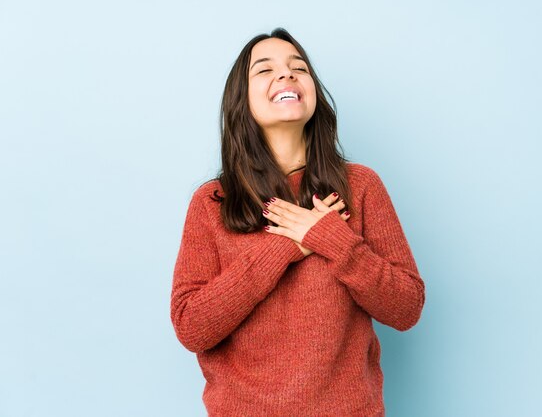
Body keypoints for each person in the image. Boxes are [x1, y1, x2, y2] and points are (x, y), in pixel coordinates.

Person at [170, 27, 426, 416]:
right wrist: (286, 246)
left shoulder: (361, 186)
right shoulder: (211, 202)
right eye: (264, 69)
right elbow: (192, 326)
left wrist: (332, 240)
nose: (287, 75)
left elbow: (406, 308)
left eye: (298, 67)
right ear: (242, 100)